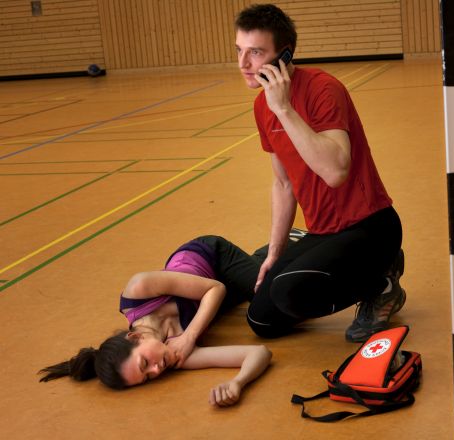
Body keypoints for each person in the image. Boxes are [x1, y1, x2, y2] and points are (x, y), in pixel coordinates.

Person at [234, 4, 406, 343]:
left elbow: (335, 171)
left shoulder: (323, 89)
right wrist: (274, 252)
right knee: (262, 320)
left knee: (290, 292)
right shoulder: (261, 105)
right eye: (239, 51)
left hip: (370, 226)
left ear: (284, 54)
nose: (243, 64)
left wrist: (283, 108)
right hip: (323, 231)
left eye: (255, 52)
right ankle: (340, 263)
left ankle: (382, 281)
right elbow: (283, 183)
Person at [39, 235, 272, 407]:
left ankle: (283, 249)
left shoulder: (138, 289)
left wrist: (189, 337)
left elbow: (215, 288)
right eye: (148, 377)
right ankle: (272, 256)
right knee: (268, 305)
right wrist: (237, 383)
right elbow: (259, 352)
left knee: (271, 304)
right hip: (213, 298)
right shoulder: (173, 355)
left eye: (144, 363)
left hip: (212, 257)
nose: (157, 369)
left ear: (135, 336)